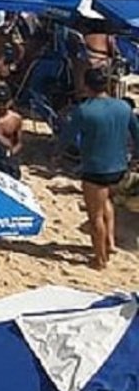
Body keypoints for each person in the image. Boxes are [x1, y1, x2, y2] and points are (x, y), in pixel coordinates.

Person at [62, 69, 139, 270]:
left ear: (86, 85)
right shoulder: (123, 106)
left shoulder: (84, 110)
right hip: (119, 169)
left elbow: (66, 138)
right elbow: (137, 134)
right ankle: (111, 243)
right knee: (107, 202)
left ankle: (100, 259)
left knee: (94, 215)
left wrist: (57, 153)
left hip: (95, 170)